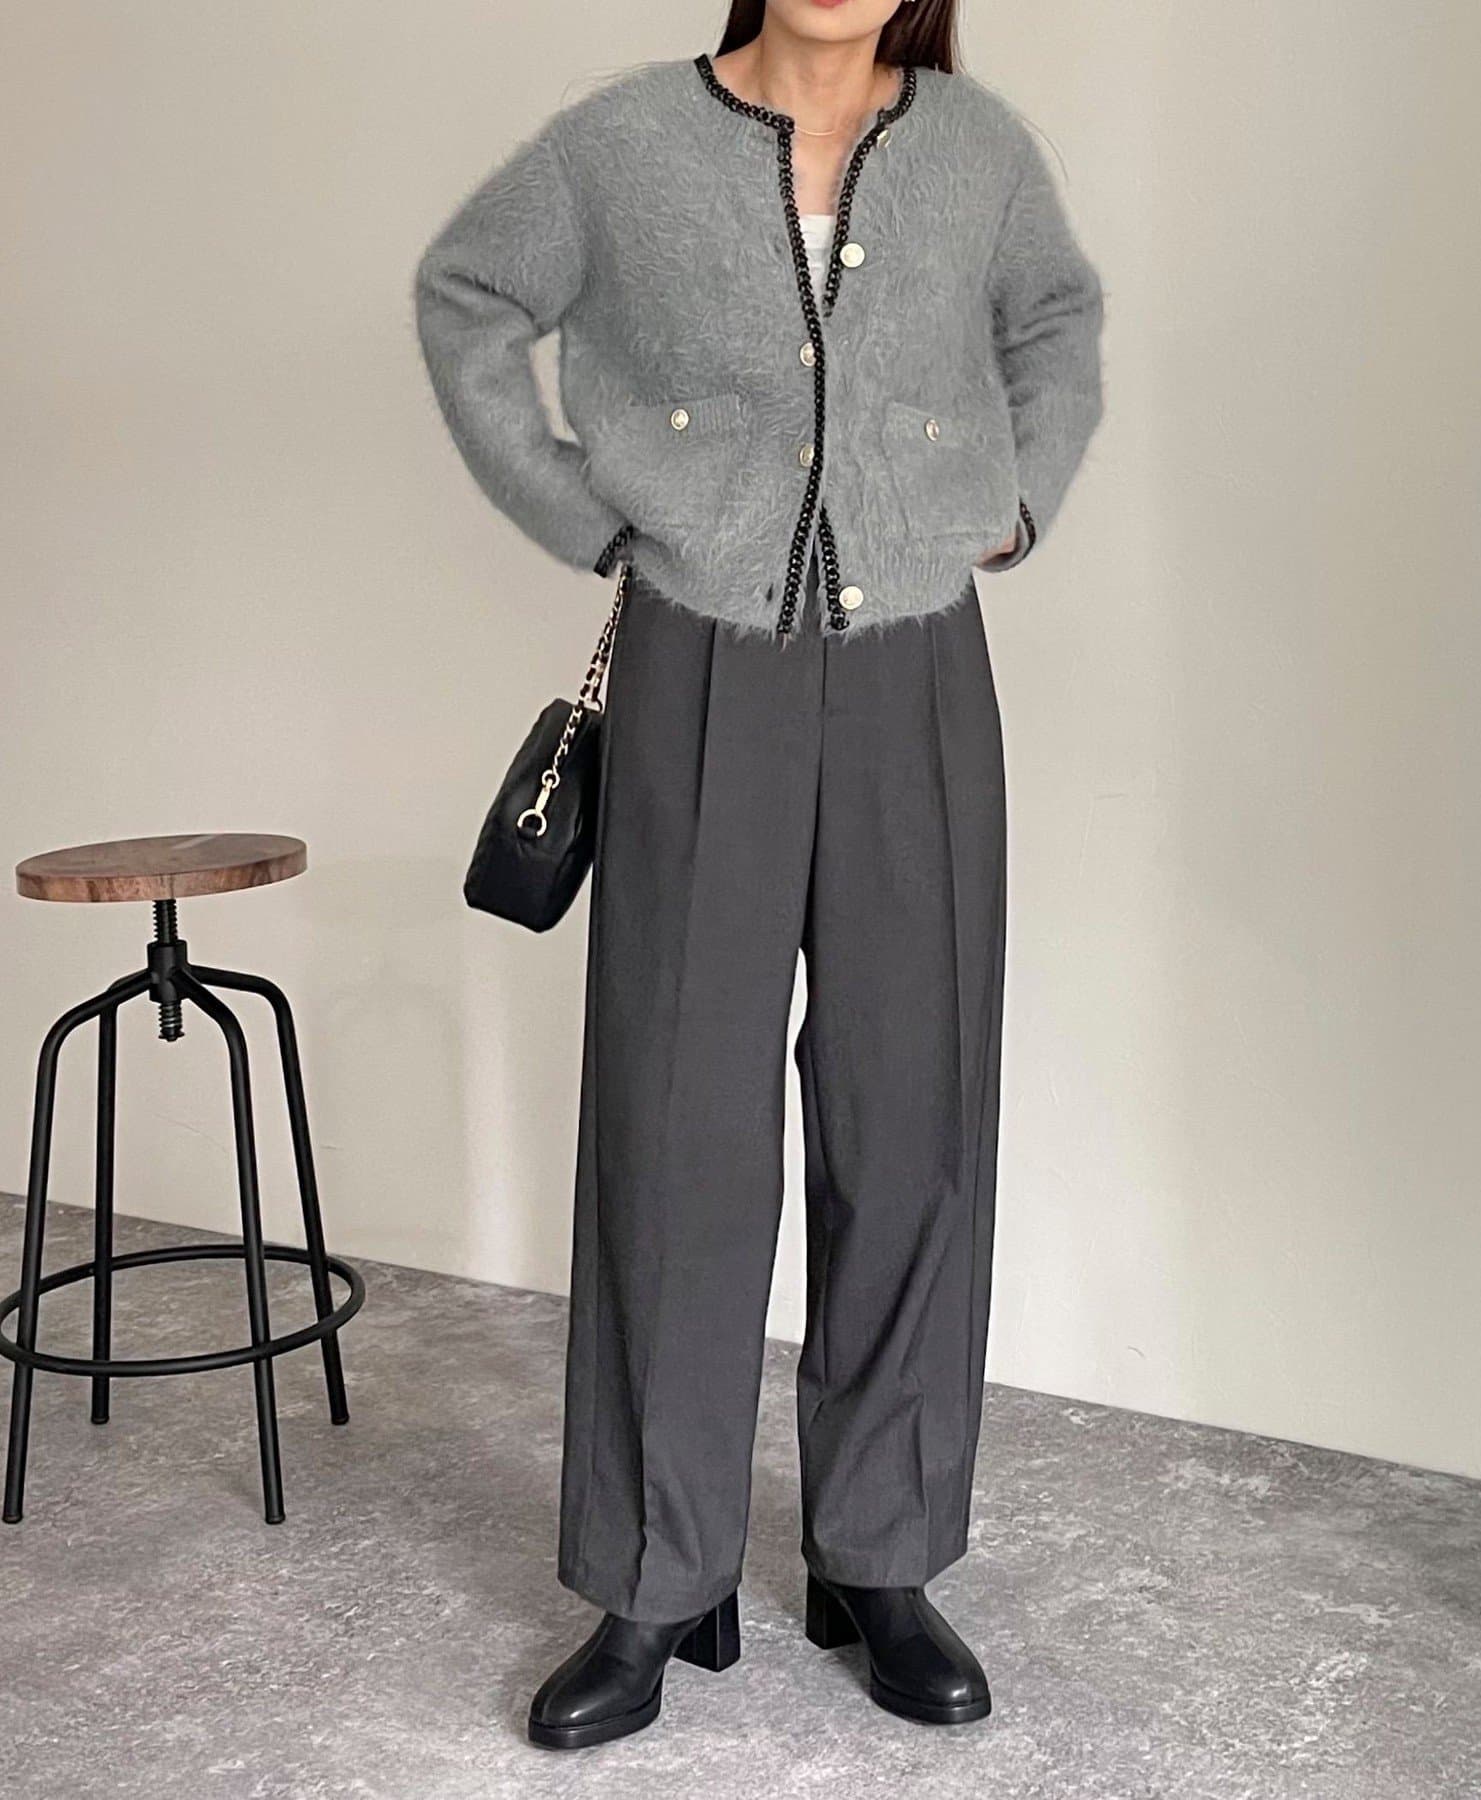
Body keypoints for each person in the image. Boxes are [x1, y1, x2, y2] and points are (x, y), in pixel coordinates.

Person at [413, 0, 1104, 1750]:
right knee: (676, 1124)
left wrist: (1015, 499)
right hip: (697, 662)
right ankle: (657, 1575)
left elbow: (1056, 318)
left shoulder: (976, 149)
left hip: (918, 673)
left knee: (910, 1112)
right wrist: (593, 513)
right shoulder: (624, 143)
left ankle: (884, 1555)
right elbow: (467, 293)